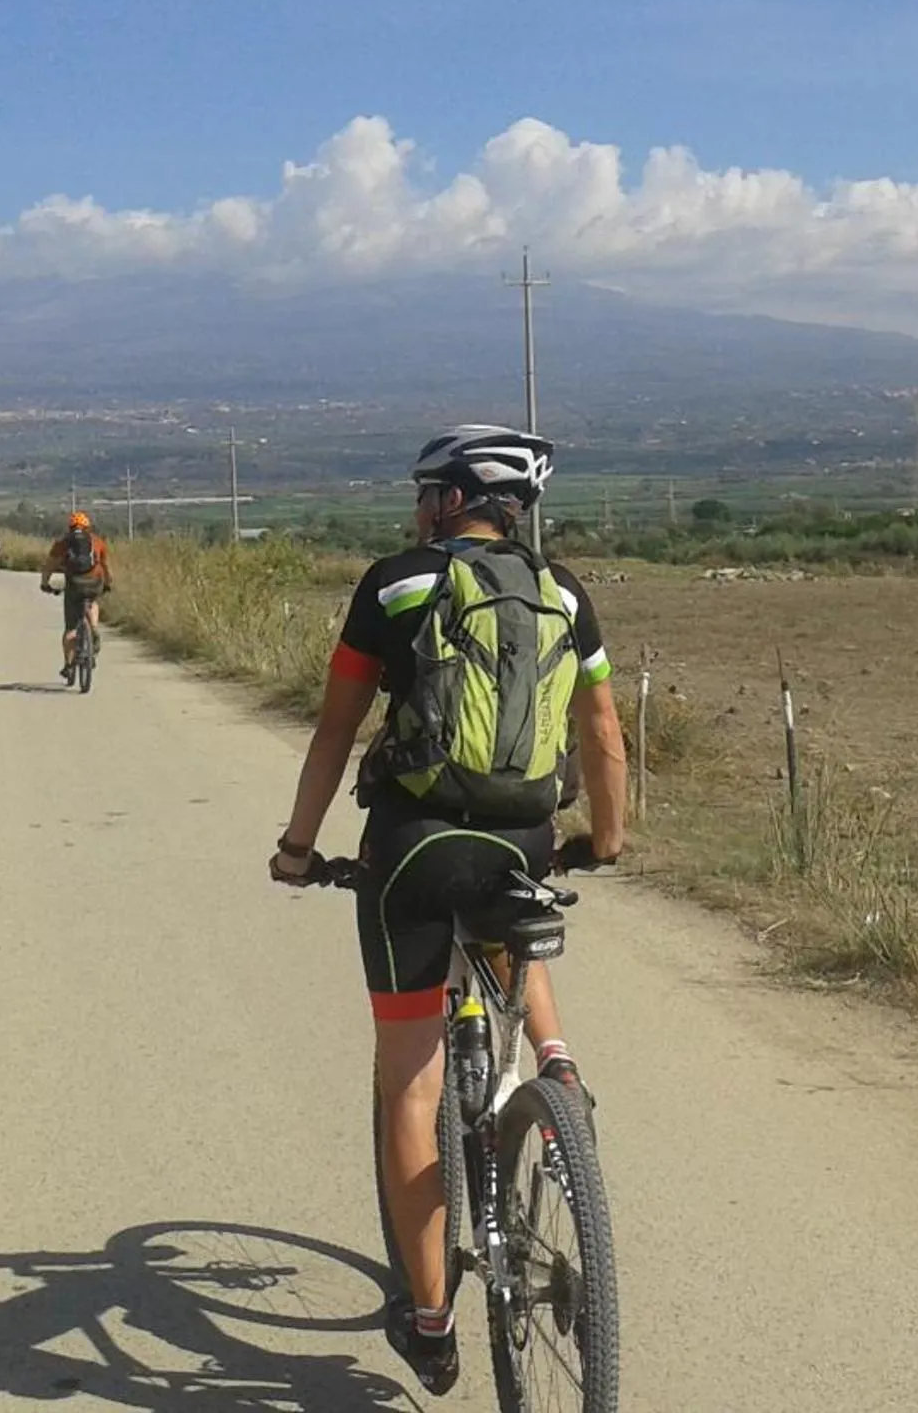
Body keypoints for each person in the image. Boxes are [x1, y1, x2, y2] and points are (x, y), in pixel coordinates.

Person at [268, 425, 626, 1396]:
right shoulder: (562, 594)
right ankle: (556, 1081)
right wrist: (611, 835)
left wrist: (299, 849)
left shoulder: (393, 583)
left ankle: (432, 1325)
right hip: (522, 840)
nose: (415, 504)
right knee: (516, 920)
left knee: (411, 1084)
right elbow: (600, 730)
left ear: (450, 500)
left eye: (426, 490)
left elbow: (336, 732)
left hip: (412, 854)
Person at [40, 512, 111, 684]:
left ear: (70, 527)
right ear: (88, 527)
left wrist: (45, 583)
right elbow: (105, 565)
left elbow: (49, 566)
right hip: (94, 583)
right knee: (92, 602)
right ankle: (93, 627)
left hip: (74, 584)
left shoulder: (63, 544)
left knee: (70, 628)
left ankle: (69, 664)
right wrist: (108, 583)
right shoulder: (97, 542)